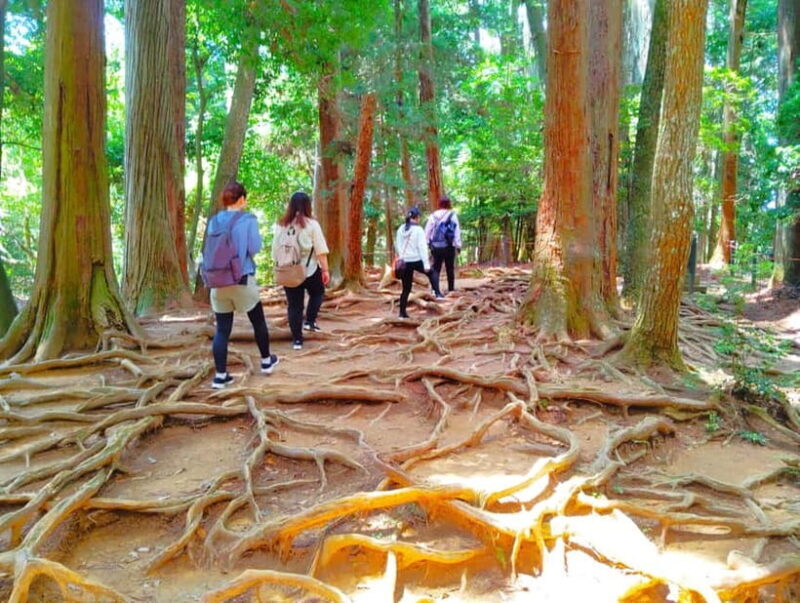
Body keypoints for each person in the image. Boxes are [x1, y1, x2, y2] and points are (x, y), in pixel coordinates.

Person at [207, 181, 278, 389]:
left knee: (222, 330)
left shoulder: (214, 221)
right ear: (241, 199)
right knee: (258, 321)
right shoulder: (248, 219)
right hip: (242, 279)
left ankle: (220, 376)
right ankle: (266, 361)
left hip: (217, 282)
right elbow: (254, 248)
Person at [272, 191, 330, 350]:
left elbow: (275, 250)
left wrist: (280, 266)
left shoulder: (280, 225)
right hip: (309, 269)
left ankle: (297, 340)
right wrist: (325, 270)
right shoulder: (312, 225)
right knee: (318, 293)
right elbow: (320, 250)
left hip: (288, 270)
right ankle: (310, 321)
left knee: (294, 306)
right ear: (307, 206)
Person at [395, 207, 441, 318]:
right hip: (416, 260)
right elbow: (422, 247)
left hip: (405, 262)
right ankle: (437, 292)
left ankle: (402, 313)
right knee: (432, 272)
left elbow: (397, 244)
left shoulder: (401, 229)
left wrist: (401, 256)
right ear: (417, 217)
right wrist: (426, 264)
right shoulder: (418, 230)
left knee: (406, 289)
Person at [425, 195, 462, 295]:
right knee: (450, 268)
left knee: (436, 269)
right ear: (449, 204)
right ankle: (451, 290)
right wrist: (458, 245)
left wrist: (427, 243)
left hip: (436, 246)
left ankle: (435, 290)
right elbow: (456, 231)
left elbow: (428, 230)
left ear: (439, 204)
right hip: (449, 246)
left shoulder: (433, 216)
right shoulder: (452, 215)